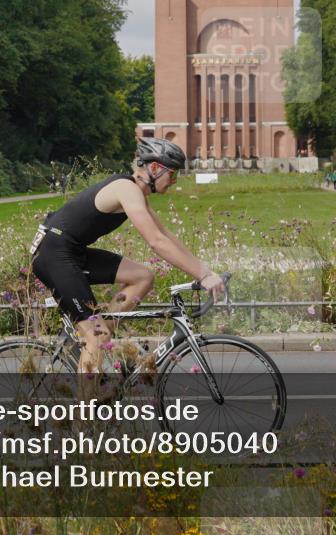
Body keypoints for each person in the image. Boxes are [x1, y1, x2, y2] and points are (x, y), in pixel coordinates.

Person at [30, 138, 225, 375]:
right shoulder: (126, 189)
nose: (174, 182)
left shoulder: (135, 193)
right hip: (54, 254)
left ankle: (99, 344)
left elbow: (166, 235)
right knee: (96, 336)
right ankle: (85, 405)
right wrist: (203, 275)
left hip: (71, 252)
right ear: (154, 168)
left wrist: (205, 271)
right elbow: (156, 242)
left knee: (143, 276)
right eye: (172, 175)